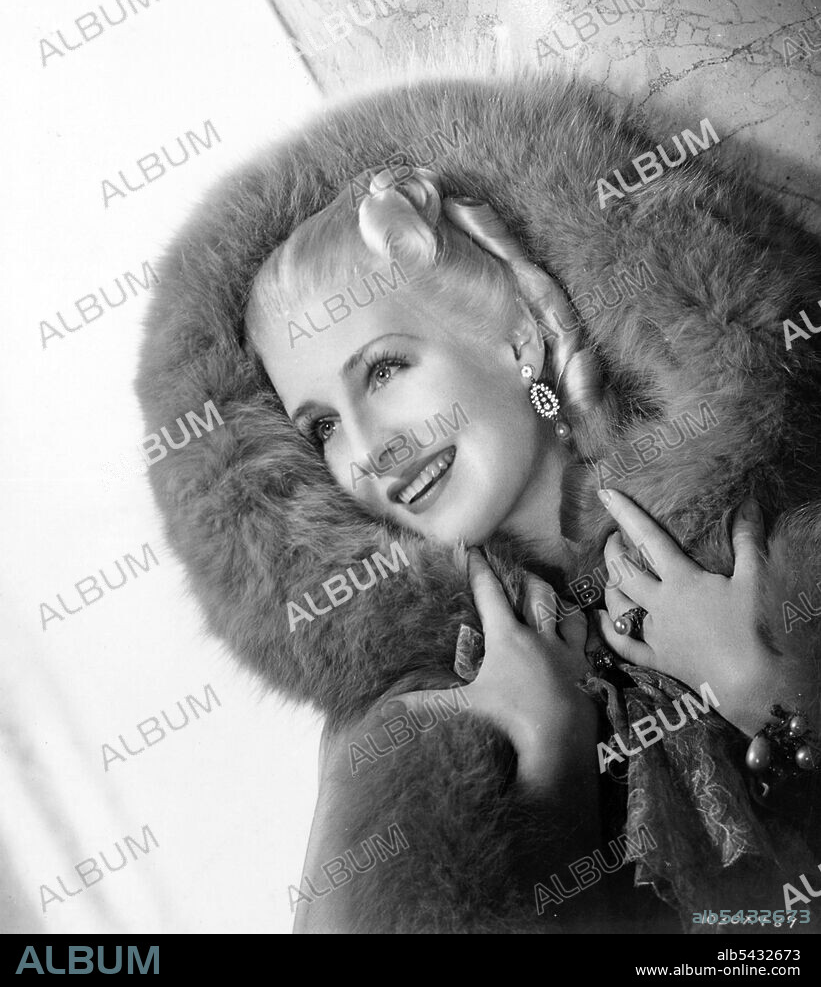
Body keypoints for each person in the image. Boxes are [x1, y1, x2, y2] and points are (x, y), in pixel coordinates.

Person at [244, 165, 821, 932]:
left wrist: (767, 692)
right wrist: (551, 766)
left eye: (384, 370)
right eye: (321, 426)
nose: (368, 451)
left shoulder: (777, 529)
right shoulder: (411, 707)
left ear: (517, 338)